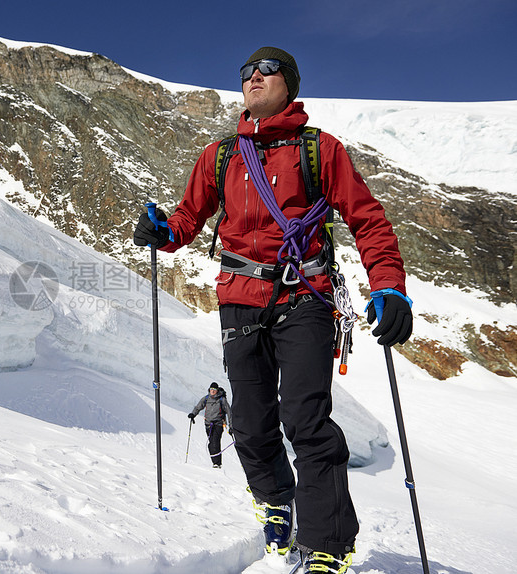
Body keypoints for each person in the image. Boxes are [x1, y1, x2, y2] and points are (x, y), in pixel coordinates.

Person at [133, 47, 412, 573]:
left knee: (306, 419)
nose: (251, 78)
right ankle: (275, 502)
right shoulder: (220, 156)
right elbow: (188, 217)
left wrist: (389, 286)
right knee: (254, 426)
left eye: (265, 70)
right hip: (239, 299)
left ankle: (327, 545)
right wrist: (163, 232)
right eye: (245, 72)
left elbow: (367, 220)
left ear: (289, 82)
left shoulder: (319, 150)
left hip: (304, 295)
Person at [188, 382, 232, 468]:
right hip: (208, 424)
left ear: (217, 390)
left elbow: (229, 412)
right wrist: (193, 414)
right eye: (211, 389)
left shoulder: (221, 400)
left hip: (218, 424)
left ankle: (217, 463)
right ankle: (215, 462)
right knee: (211, 444)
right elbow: (198, 407)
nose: (212, 391)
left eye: (214, 390)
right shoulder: (206, 398)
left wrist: (231, 425)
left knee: (215, 442)